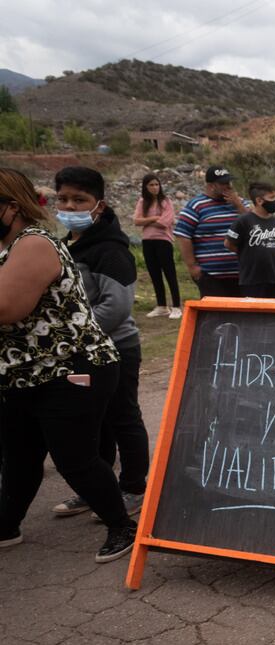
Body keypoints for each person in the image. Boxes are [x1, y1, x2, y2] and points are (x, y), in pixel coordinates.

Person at [0, 167, 137, 562]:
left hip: (73, 367)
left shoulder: (34, 243)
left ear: (11, 207)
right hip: (22, 374)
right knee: (20, 456)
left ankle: (121, 525)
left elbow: (9, 307)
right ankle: (7, 525)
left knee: (74, 457)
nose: (68, 207)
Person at [51, 166, 151, 522]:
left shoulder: (110, 250)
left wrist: (66, 335)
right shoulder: (66, 245)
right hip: (82, 352)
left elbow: (117, 306)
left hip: (116, 348)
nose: (70, 206)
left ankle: (134, 488)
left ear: (99, 205)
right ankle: (98, 488)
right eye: (63, 198)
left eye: (80, 200)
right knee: (97, 419)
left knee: (123, 417)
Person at [174, 166, 249, 298]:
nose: (228, 186)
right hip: (211, 276)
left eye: (229, 182)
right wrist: (193, 267)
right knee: (217, 317)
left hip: (242, 274)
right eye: (223, 183)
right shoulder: (196, 205)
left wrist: (238, 205)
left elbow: (254, 226)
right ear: (211, 185)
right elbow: (183, 236)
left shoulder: (241, 203)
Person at [225, 182, 275, 299]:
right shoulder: (243, 221)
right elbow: (229, 243)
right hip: (252, 280)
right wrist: (247, 252)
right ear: (259, 201)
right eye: (271, 198)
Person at [132, 172, 181, 319]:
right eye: (151, 185)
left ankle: (177, 306)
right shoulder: (142, 202)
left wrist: (145, 220)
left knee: (169, 273)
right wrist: (153, 217)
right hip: (147, 241)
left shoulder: (166, 201)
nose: (154, 187)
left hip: (163, 241)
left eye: (156, 184)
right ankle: (162, 306)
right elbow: (136, 220)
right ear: (145, 187)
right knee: (154, 274)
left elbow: (165, 222)